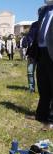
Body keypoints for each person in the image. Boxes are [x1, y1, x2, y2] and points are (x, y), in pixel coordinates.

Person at [34, 1, 53, 130]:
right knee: (42, 84)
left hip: (52, 52)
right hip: (42, 52)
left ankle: (51, 119)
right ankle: (41, 114)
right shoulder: (43, 11)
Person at [26, 20, 39, 93]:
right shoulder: (34, 24)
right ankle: (31, 88)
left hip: (43, 53)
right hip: (32, 52)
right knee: (30, 71)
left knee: (42, 74)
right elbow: (29, 36)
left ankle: (43, 89)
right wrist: (30, 43)